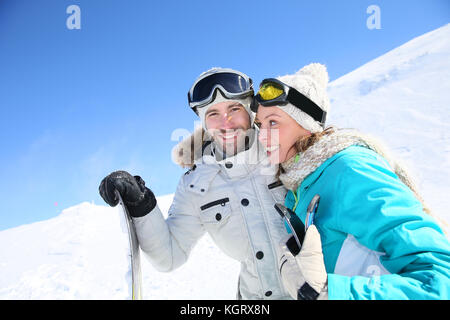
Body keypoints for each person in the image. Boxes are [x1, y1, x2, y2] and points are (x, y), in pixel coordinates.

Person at [253, 63, 450, 300]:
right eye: (260, 125)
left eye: (273, 122)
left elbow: (439, 280)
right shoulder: (299, 185)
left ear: (307, 124)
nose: (263, 136)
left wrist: (329, 293)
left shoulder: (350, 169)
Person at [99, 68, 292, 299]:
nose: (226, 122)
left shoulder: (286, 150)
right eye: (213, 114)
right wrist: (142, 205)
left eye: (234, 108)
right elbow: (169, 256)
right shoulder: (196, 185)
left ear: (250, 111)